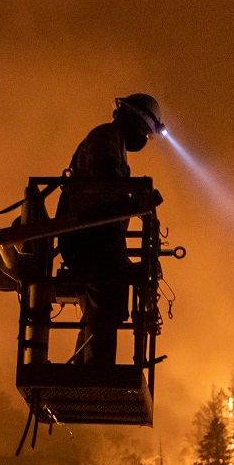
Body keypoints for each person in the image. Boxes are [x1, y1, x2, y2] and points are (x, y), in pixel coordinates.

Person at [56, 94, 165, 366]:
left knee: (101, 306)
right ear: (130, 118)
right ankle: (96, 371)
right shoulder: (107, 135)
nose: (143, 137)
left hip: (95, 235)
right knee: (106, 302)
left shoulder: (115, 142)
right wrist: (138, 197)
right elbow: (104, 173)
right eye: (143, 129)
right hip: (91, 232)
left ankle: (87, 368)